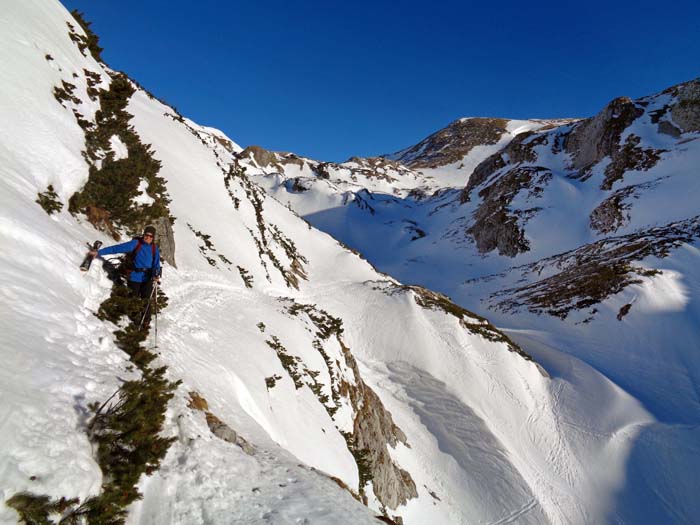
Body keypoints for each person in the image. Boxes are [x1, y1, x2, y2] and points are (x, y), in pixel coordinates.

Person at [90, 225, 161, 298]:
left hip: (148, 278)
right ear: (144, 234)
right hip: (134, 277)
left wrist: (156, 274)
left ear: (153, 237)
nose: (148, 237)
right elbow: (117, 248)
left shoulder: (154, 248)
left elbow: (156, 264)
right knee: (133, 302)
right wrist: (99, 252)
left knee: (146, 303)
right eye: (147, 235)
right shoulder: (136, 243)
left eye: (151, 236)